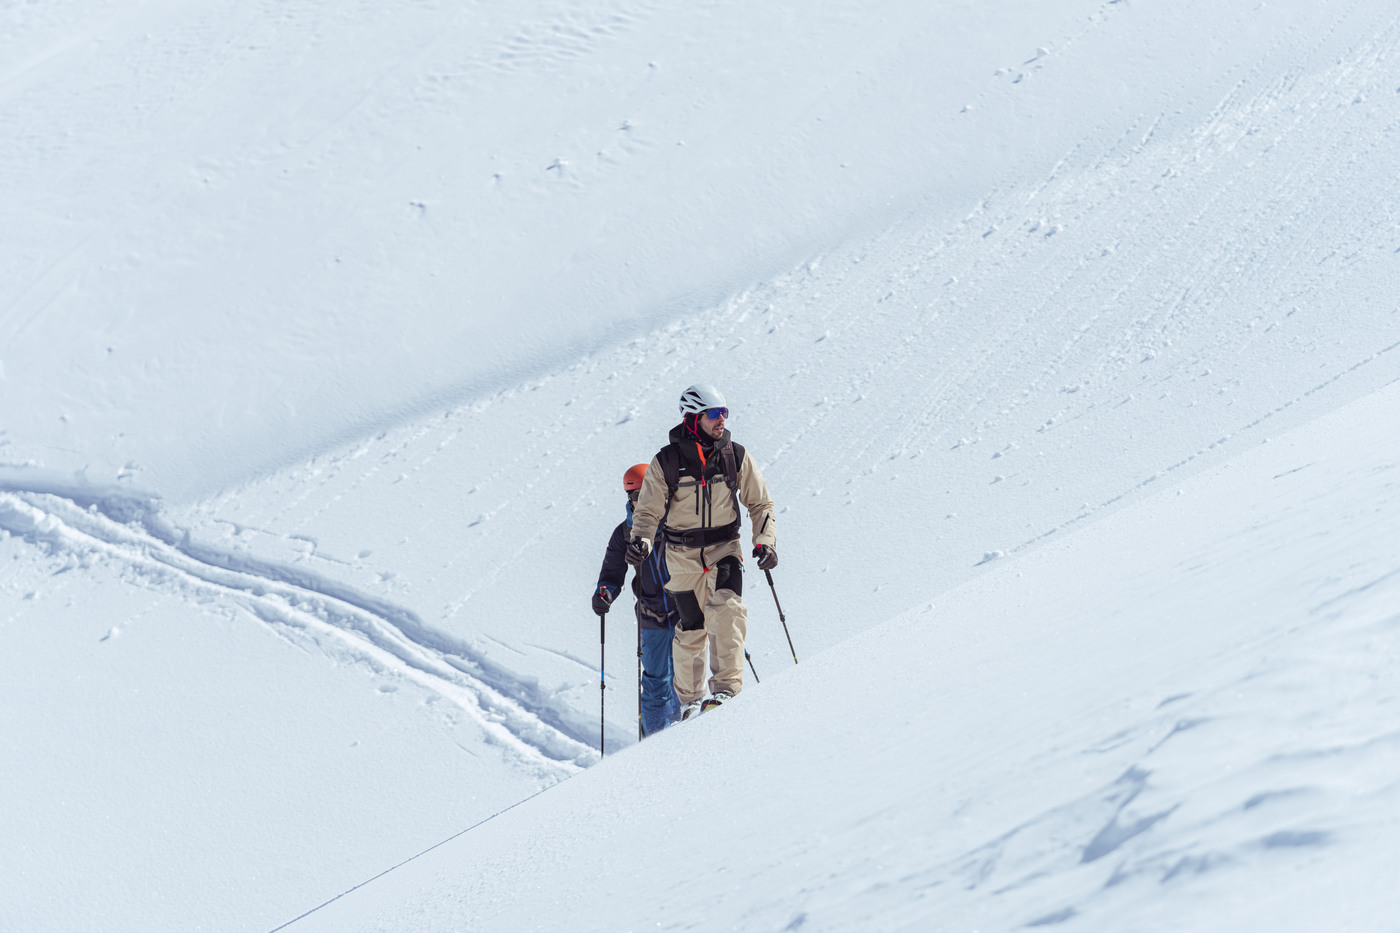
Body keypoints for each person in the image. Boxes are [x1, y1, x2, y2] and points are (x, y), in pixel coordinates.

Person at [626, 384, 778, 719]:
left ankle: (725, 691)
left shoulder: (734, 455)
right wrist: (643, 540)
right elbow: (648, 511)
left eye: (724, 412)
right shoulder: (666, 462)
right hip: (681, 557)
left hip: (725, 548)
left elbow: (760, 501)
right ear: (693, 418)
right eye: (713, 414)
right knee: (691, 628)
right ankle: (691, 702)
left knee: (727, 610)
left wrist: (765, 541)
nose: (721, 420)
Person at [593, 463, 682, 738]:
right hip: (651, 615)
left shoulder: (678, 520)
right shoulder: (624, 533)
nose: (640, 500)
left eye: (646, 493)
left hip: (685, 610)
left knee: (686, 675)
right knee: (656, 681)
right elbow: (611, 572)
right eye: (634, 496)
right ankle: (654, 741)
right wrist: (604, 593)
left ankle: (684, 733)